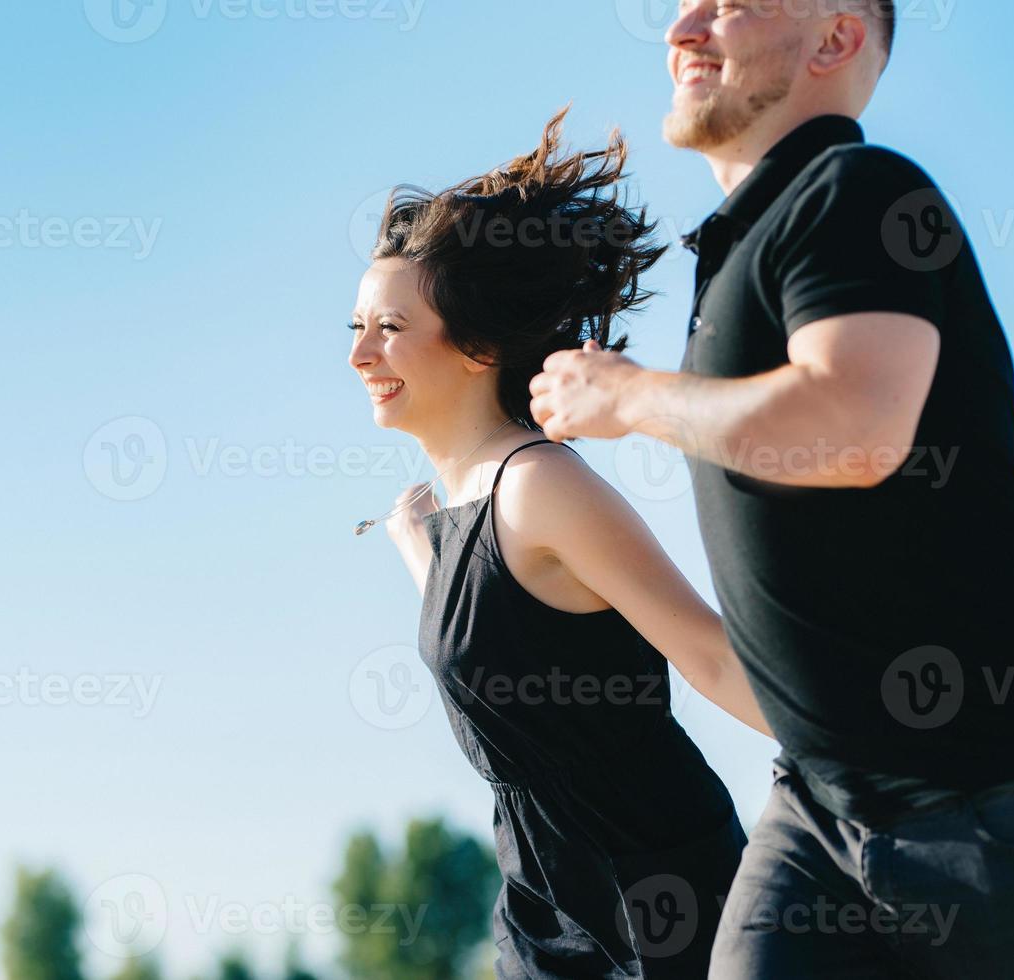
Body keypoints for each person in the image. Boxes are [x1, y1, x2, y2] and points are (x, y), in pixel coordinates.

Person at [528, 2, 1014, 977]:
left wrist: (624, 394)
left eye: (727, 4)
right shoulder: (742, 245)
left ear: (835, 39)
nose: (680, 26)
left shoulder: (856, 191)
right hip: (820, 810)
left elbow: (853, 430)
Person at [348, 108, 769, 978]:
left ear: (478, 345)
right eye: (354, 326)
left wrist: (890, 767)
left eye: (388, 327)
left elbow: (710, 657)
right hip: (543, 905)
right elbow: (503, 636)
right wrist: (422, 553)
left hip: (659, 898)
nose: (359, 353)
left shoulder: (541, 486)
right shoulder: (462, 509)